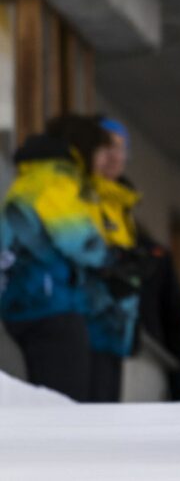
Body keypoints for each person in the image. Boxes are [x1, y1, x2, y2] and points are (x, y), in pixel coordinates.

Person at [0, 119, 108, 401]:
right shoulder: (55, 182)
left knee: (46, 403)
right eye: (102, 152)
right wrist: (108, 254)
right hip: (51, 307)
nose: (105, 161)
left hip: (22, 305)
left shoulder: (24, 182)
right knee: (65, 407)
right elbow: (80, 241)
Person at [92, 116, 180, 401]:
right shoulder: (75, 213)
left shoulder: (148, 247)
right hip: (96, 348)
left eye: (121, 149)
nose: (113, 157)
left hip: (142, 355)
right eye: (104, 147)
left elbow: (173, 316)